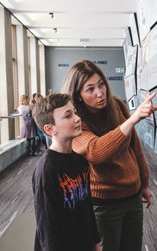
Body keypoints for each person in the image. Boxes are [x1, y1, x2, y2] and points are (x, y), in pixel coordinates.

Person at [61, 60, 157, 251]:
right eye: (90, 89)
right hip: (104, 206)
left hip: (133, 197)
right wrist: (132, 121)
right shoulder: (76, 121)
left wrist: (144, 184)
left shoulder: (118, 105)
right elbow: (96, 151)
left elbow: (134, 147)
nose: (100, 93)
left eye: (101, 84)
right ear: (78, 96)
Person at [31, 93, 101, 251]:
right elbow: (46, 225)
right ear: (50, 129)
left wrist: (95, 242)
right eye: (68, 115)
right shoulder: (46, 170)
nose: (77, 118)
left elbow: (87, 207)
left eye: (75, 112)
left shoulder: (81, 161)